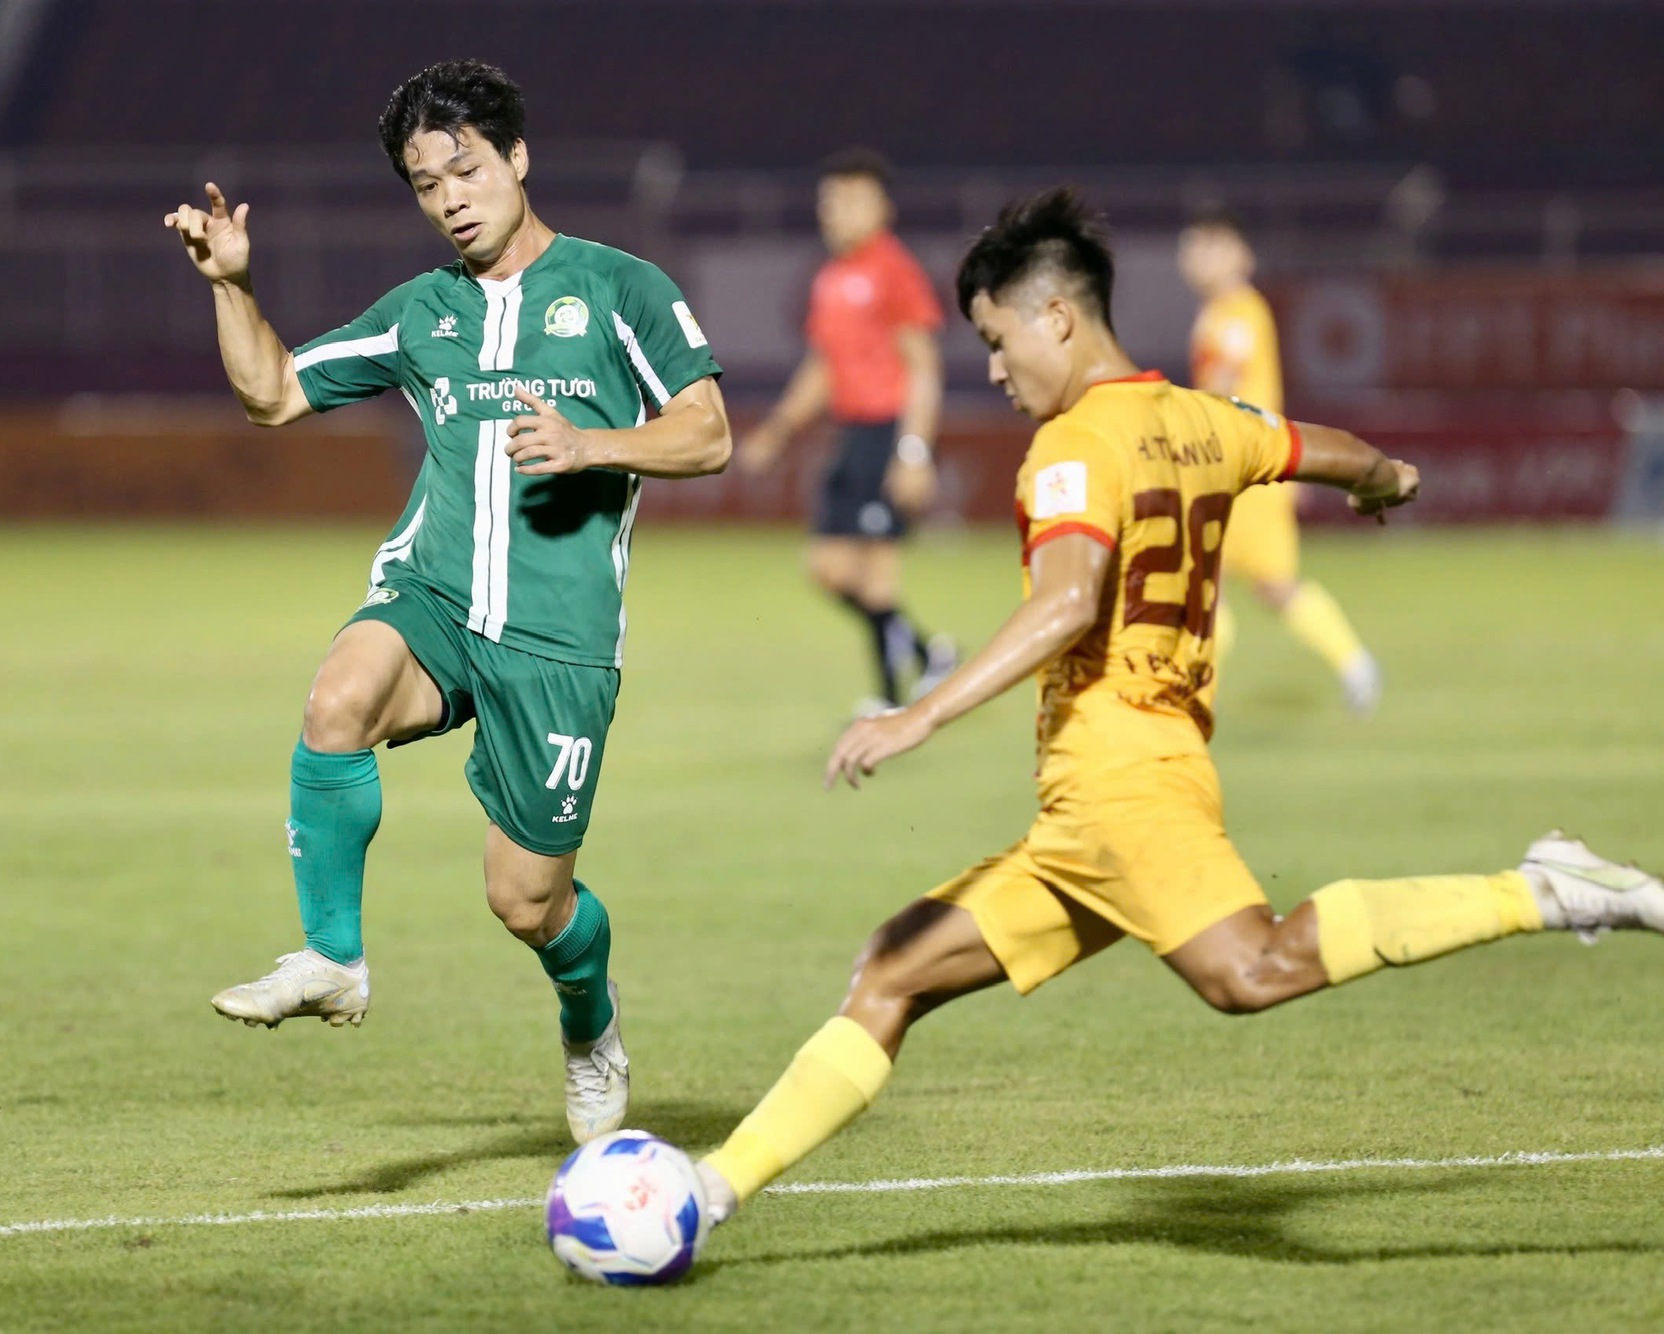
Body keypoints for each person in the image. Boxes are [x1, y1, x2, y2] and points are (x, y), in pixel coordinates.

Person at [694, 189, 1660, 1224]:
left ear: (1055, 316)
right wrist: (1383, 478)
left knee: (1250, 967)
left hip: (1120, 782)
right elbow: (1315, 444)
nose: (992, 368)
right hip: (1099, 803)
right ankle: (705, 1192)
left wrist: (914, 715)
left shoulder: (1071, 446)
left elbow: (1066, 600)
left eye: (994, 338)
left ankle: (1543, 889)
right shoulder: (1200, 420)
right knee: (890, 969)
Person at [165, 59, 730, 1144]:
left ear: (516, 159)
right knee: (337, 697)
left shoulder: (622, 289)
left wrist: (590, 443)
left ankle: (589, 1022)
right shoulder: (423, 312)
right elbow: (274, 394)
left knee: (524, 900)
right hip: (432, 597)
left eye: (465, 168)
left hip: (558, 640)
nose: (450, 197)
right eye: (426, 184)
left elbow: (707, 432)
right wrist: (231, 282)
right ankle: (332, 956)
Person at [740, 149, 954, 716]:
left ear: (882, 207)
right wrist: (778, 430)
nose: (836, 212)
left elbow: (924, 368)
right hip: (851, 435)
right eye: (829, 201)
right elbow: (822, 368)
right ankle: (932, 653)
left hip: (888, 434)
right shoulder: (832, 278)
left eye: (850, 200)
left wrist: (913, 451)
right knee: (829, 570)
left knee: (876, 574)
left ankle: (888, 700)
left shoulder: (895, 270)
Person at [1178, 207, 1381, 714]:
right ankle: (1195, 695)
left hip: (1244, 469)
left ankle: (1354, 664)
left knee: (1269, 585)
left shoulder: (1239, 311)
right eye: (1193, 251)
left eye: (1209, 248)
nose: (1197, 260)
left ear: (1239, 255)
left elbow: (1224, 385)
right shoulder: (1223, 312)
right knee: (1209, 582)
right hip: (1233, 465)